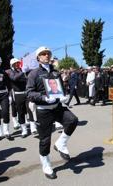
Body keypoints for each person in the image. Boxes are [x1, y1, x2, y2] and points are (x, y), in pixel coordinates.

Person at [27, 46, 78, 179]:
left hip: (56, 106)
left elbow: (61, 88)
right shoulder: (33, 74)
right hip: (43, 110)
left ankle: (61, 143)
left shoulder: (55, 73)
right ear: (38, 57)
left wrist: (64, 96)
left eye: (48, 53)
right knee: (45, 140)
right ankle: (46, 165)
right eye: (43, 54)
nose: (46, 56)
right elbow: (29, 93)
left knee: (72, 120)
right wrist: (43, 98)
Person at [8, 58, 28, 138]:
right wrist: (22, 72)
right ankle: (24, 130)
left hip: (25, 93)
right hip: (17, 94)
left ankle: (32, 127)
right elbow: (14, 78)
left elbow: (26, 80)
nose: (17, 64)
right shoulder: (10, 72)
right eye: (15, 63)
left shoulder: (20, 71)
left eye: (18, 63)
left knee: (28, 110)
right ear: (12, 64)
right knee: (20, 112)